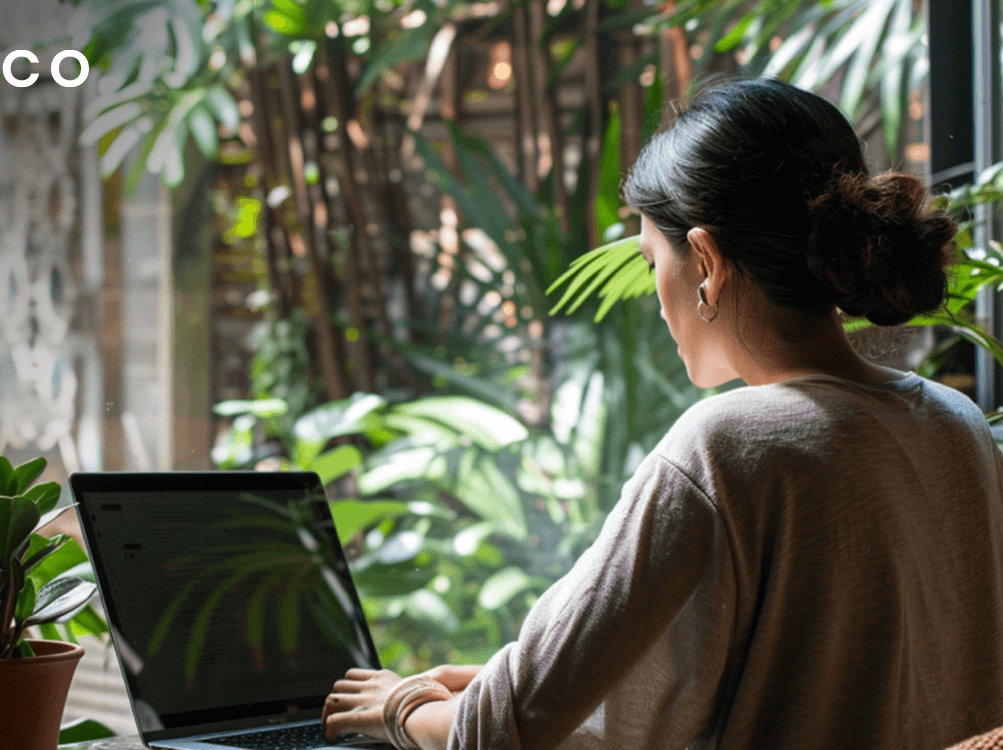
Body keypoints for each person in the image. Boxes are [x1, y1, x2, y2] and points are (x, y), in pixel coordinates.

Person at [320, 76, 1003, 749]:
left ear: (704, 259)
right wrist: (503, 679)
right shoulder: (956, 424)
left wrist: (399, 705)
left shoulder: (725, 447)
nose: (655, 290)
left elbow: (502, 735)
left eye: (652, 259)